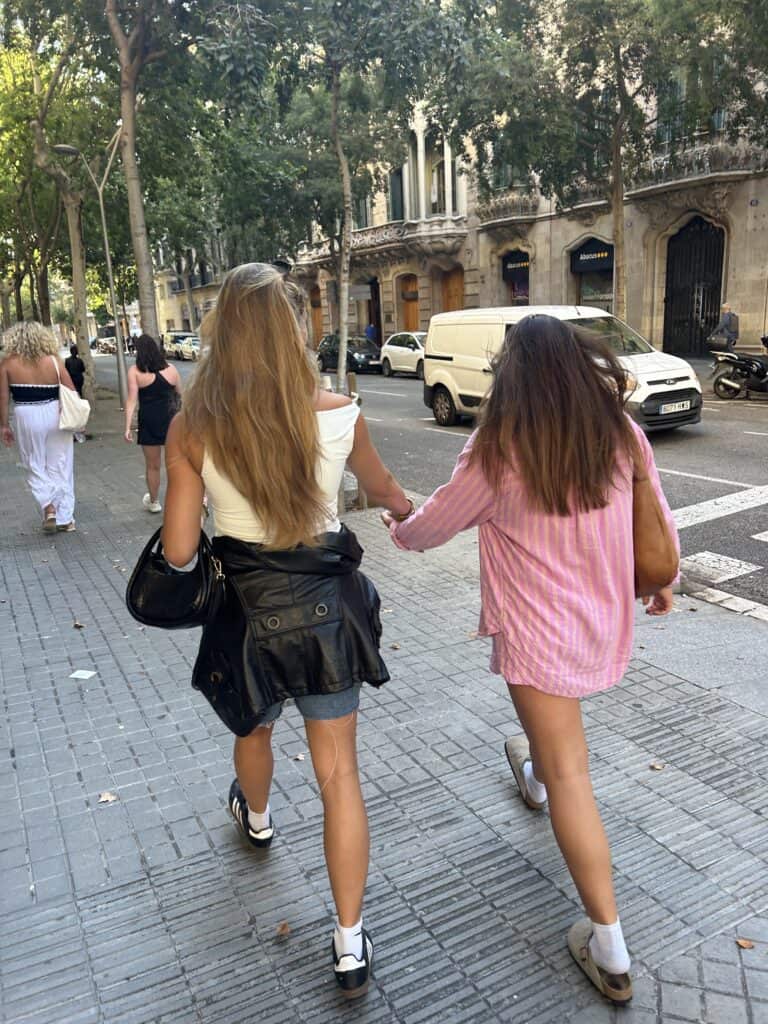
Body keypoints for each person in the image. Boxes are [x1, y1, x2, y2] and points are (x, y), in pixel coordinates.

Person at [384, 314, 678, 1006]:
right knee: (554, 751)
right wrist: (662, 580)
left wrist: (397, 523)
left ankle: (609, 947)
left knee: (572, 771)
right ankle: (534, 776)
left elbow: (434, 527)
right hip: (603, 624)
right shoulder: (621, 433)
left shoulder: (499, 447)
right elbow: (655, 516)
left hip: (537, 636)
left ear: (510, 374)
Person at [160, 262, 411, 998]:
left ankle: (259, 819)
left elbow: (178, 552)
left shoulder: (192, 428)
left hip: (248, 616)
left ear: (222, 331)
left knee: (254, 730)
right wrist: (406, 511)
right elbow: (385, 489)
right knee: (340, 775)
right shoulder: (339, 411)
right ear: (291, 330)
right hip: (329, 615)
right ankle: (348, 942)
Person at [0, 321, 78, 532]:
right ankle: (65, 518)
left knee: (34, 463)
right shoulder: (53, 361)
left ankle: (48, 506)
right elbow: (71, 390)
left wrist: (4, 426)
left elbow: (3, 397)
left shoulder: (7, 363)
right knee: (60, 464)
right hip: (55, 413)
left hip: (26, 414)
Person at [124, 334, 182, 513]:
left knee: (153, 465)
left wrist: (127, 426)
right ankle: (179, 498)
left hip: (149, 420)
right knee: (175, 463)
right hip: (172, 420)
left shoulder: (135, 371)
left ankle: (155, 501)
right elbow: (181, 395)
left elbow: (132, 400)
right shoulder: (171, 369)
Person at [65, 344, 87, 443]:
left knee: (74, 394)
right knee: (79, 393)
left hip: (72, 379)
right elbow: (83, 369)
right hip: (78, 379)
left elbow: (66, 370)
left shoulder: (67, 361)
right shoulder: (79, 361)